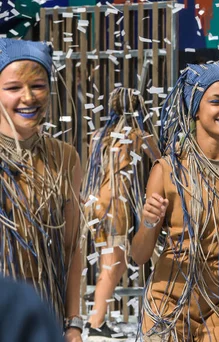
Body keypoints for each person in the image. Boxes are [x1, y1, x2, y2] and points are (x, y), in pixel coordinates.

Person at [131, 62, 219, 341]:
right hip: (168, 305)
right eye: (216, 101)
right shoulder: (168, 170)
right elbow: (139, 255)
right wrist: (148, 222)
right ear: (195, 108)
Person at [0, 38, 83, 342]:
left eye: (38, 86)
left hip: (43, 319)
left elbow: (71, 247)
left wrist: (73, 323)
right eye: (13, 88)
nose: (28, 97)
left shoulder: (64, 158)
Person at [82, 87, 160, 340]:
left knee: (116, 262)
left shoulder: (98, 135)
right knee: (110, 264)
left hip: (96, 203)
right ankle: (94, 322)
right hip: (115, 205)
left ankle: (98, 315)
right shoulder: (136, 135)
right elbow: (161, 159)